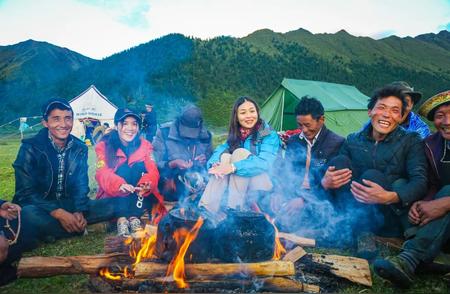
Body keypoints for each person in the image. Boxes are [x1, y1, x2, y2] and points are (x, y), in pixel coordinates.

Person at [322, 85, 428, 254]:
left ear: (401, 117)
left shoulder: (411, 141)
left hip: (386, 215)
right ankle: (340, 226)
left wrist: (391, 196)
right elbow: (334, 174)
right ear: (370, 111)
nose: (387, 115)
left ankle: (365, 235)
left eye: (395, 111)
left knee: (372, 176)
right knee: (339, 162)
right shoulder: (352, 140)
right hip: (352, 211)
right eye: (382, 108)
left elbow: (420, 180)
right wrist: (325, 181)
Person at [12, 99, 123, 243]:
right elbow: (25, 193)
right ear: (45, 122)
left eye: (68, 118)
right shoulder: (30, 148)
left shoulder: (79, 148)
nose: (63, 124)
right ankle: (81, 229)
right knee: (28, 214)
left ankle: (52, 232)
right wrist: (59, 213)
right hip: (40, 206)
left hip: (68, 204)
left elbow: (81, 185)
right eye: (56, 119)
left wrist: (79, 210)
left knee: (115, 204)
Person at [373, 90, 450, 288]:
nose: (447, 121)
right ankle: (432, 254)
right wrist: (423, 203)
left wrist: (443, 203)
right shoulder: (432, 144)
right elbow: (431, 182)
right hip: (440, 221)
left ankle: (411, 257)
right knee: (400, 185)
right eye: (440, 116)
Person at [272, 96, 345, 233]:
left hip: (321, 198)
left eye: (308, 125)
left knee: (300, 222)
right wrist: (279, 192)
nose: (304, 130)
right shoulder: (294, 141)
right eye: (300, 125)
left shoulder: (336, 143)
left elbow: (329, 186)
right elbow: (287, 173)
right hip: (296, 194)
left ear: (321, 120)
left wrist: (304, 200)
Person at [198, 96, 281, 214]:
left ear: (257, 113)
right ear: (236, 117)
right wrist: (215, 164)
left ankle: (234, 209)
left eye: (252, 111)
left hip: (263, 185)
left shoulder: (268, 134)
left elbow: (264, 163)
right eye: (243, 113)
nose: (249, 116)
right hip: (240, 183)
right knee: (225, 157)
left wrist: (232, 167)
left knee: (239, 153)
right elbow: (220, 150)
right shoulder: (237, 135)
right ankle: (206, 210)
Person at [95, 108, 163, 237]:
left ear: (138, 127)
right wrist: (119, 185)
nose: (130, 128)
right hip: (114, 196)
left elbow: (153, 170)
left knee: (139, 168)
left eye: (134, 124)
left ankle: (134, 218)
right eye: (125, 123)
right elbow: (101, 172)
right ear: (116, 126)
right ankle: (121, 218)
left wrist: (147, 183)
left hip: (138, 196)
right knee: (124, 169)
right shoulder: (104, 145)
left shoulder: (145, 145)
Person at [153, 106, 213, 202]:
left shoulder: (206, 136)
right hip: (170, 185)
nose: (189, 136)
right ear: (179, 122)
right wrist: (172, 163)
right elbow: (154, 164)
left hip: (197, 187)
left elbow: (211, 164)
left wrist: (205, 161)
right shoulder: (164, 132)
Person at [361, 81, 430, 139]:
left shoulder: (420, 130)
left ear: (411, 104)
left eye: (405, 102)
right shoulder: (373, 123)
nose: (400, 106)